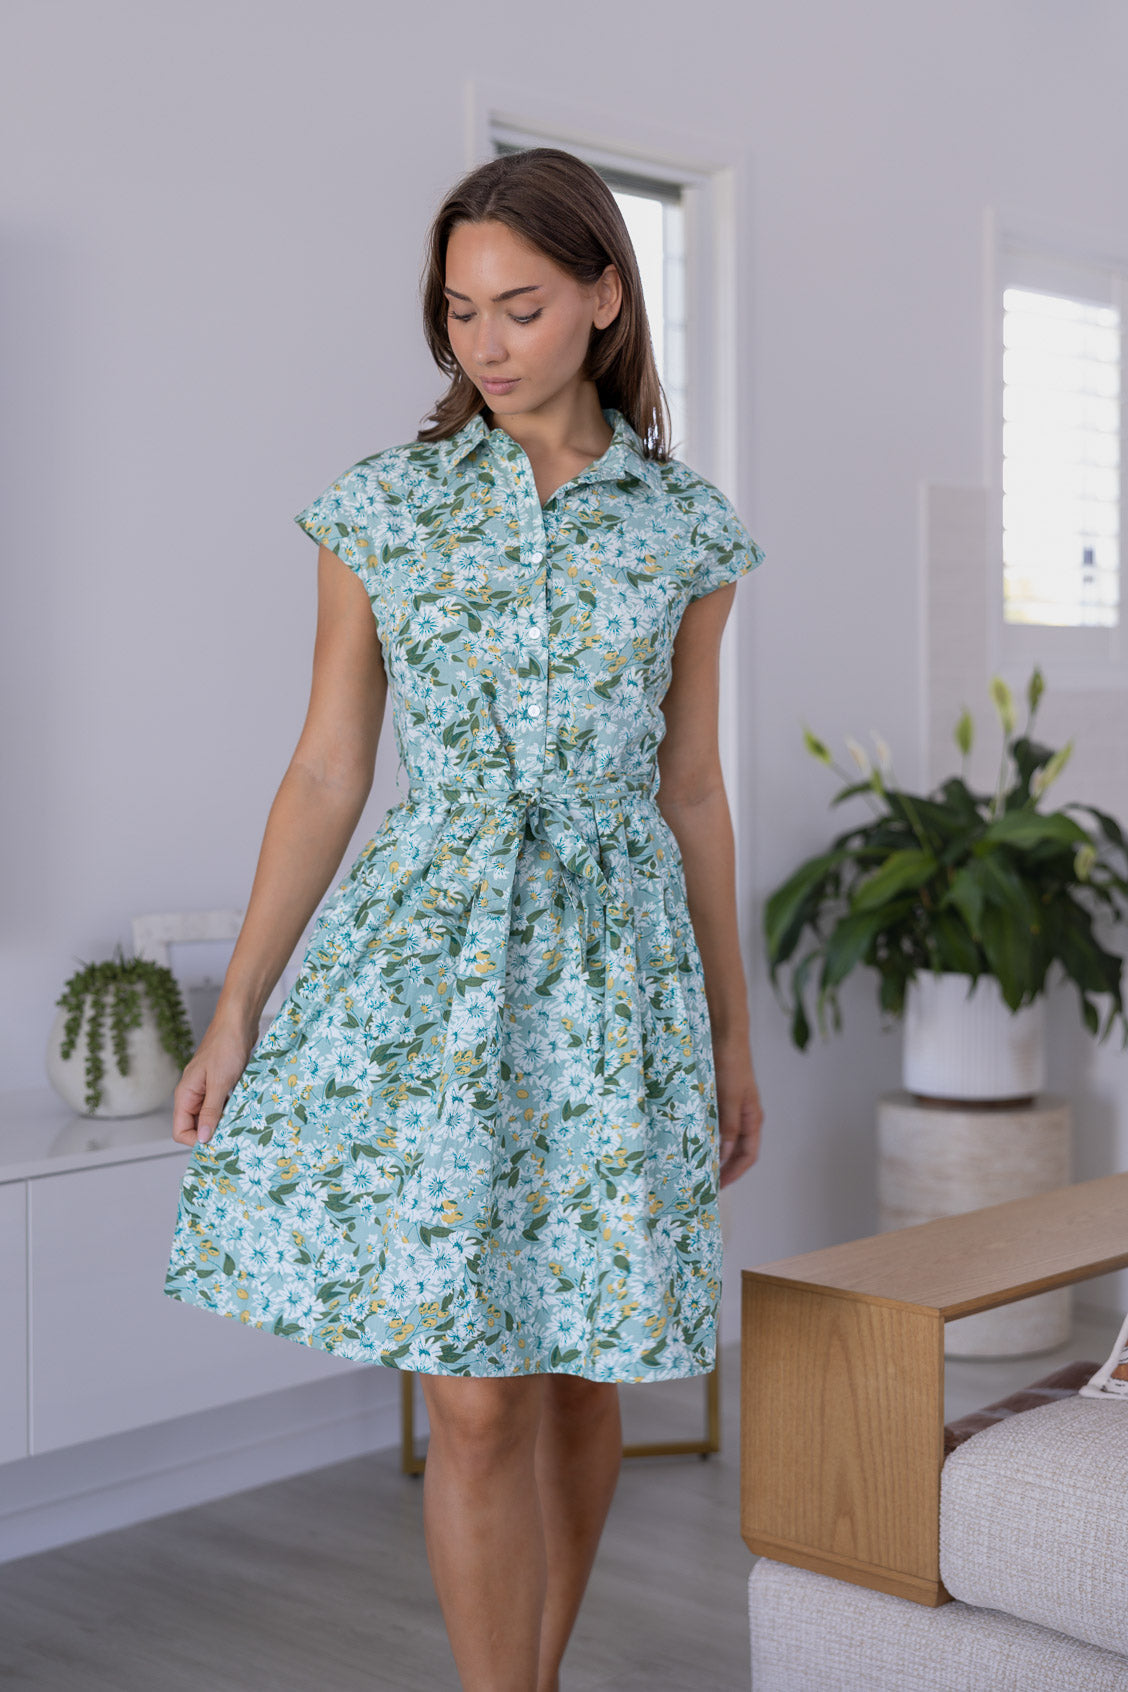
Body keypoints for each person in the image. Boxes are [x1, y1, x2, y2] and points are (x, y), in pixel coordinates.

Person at [164, 145, 765, 1692]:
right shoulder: (384, 509)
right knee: (479, 1393)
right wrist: (236, 1006)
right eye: (459, 313)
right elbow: (325, 770)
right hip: (433, 968)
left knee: (583, 1376)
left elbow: (692, 791)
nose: (485, 345)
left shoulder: (686, 531)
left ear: (604, 299)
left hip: (616, 974)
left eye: (520, 307)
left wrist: (733, 1034)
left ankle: (538, 1674)